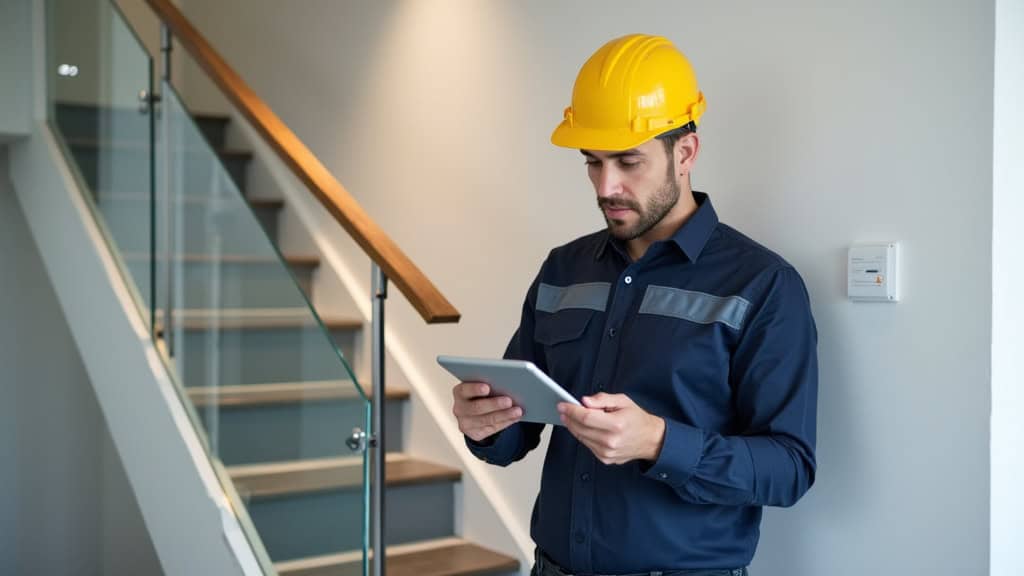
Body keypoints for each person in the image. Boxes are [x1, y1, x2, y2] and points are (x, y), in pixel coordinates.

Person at [451, 33, 818, 576]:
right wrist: (483, 424)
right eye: (593, 163)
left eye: (628, 161)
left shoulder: (763, 284)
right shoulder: (562, 269)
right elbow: (515, 434)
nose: (607, 186)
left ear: (685, 152)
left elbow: (789, 468)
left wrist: (659, 442)